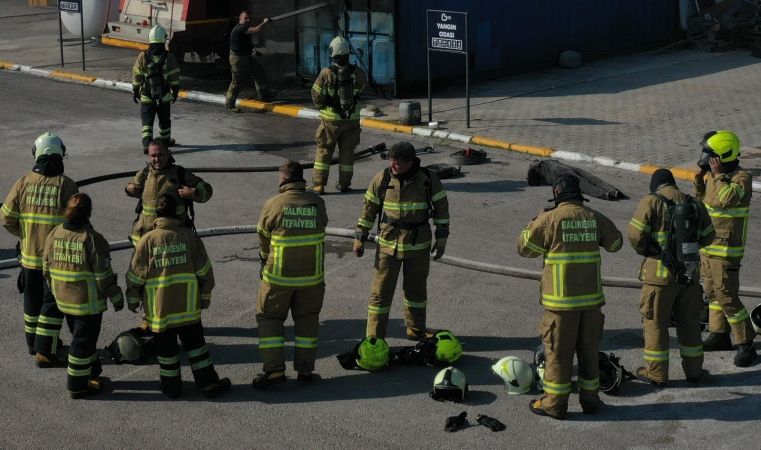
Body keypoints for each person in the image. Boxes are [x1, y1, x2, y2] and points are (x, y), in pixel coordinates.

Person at [517, 174, 622, 420]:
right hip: (591, 304)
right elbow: (616, 244)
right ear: (579, 195)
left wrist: (534, 220)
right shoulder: (594, 217)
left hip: (561, 306)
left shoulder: (550, 219)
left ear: (556, 194)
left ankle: (555, 405)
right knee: (589, 355)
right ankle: (591, 402)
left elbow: (524, 248)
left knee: (558, 357)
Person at [125, 193, 230, 399]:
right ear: (177, 213)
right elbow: (204, 271)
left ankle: (171, 388)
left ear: (157, 214)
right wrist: (205, 297)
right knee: (197, 349)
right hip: (188, 309)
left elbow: (135, 276)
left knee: (166, 353)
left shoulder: (146, 240)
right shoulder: (189, 236)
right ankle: (208, 384)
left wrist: (132, 300)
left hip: (159, 312)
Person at [353, 142, 449, 341]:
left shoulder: (428, 179)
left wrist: (442, 238)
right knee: (379, 295)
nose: (392, 166)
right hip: (388, 246)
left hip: (418, 246)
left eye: (397, 163)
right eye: (391, 161)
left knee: (416, 293)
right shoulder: (383, 178)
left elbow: (441, 208)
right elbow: (369, 208)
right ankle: (374, 338)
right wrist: (360, 236)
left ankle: (416, 330)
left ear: (410, 162)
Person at [628, 169, 714, 387]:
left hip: (659, 278)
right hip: (689, 275)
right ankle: (695, 372)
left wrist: (650, 251)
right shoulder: (694, 203)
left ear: (655, 185)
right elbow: (709, 236)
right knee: (690, 324)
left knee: (655, 324)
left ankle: (656, 373)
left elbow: (635, 237)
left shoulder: (651, 202)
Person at [2, 132, 79, 367]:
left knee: (31, 302)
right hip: (56, 259)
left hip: (28, 257)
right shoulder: (66, 184)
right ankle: (45, 350)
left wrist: (24, 235)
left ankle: (32, 343)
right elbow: (77, 221)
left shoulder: (23, 182)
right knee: (53, 304)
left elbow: (6, 218)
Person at [252, 161, 328, 389]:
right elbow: (322, 225)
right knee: (307, 321)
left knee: (270, 320)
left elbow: (263, 236)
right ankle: (305, 371)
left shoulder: (273, 204)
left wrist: (265, 259)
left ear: (283, 179)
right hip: (312, 277)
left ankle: (274, 371)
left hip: (279, 277)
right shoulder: (317, 202)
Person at [43, 193, 125, 399]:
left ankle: (92, 372)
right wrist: (117, 297)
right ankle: (78, 386)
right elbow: (103, 276)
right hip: (87, 304)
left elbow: (46, 266)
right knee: (82, 344)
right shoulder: (91, 239)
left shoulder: (55, 233)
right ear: (89, 212)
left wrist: (55, 289)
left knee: (81, 339)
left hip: (63, 300)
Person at [693, 130, 757, 367]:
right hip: (709, 248)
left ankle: (746, 344)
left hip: (726, 251)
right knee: (712, 293)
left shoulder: (741, 178)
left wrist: (718, 176)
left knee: (727, 296)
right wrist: (700, 179)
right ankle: (719, 334)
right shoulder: (712, 176)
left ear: (723, 156)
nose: (706, 160)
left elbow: (728, 198)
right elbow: (701, 201)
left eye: (710, 156)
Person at [125, 140, 212, 246]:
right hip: (144, 238)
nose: (157, 159)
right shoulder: (144, 173)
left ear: (168, 154)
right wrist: (128, 188)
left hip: (171, 239)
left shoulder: (180, 174)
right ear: (148, 156)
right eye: (153, 156)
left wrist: (193, 193)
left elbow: (207, 189)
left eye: (160, 155)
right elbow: (132, 187)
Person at [309, 36, 368, 194]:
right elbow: (363, 86)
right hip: (352, 121)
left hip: (331, 122)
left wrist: (323, 105)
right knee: (347, 155)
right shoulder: (358, 72)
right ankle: (344, 184)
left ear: (332, 53)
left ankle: (319, 185)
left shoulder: (326, 73)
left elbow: (316, 95)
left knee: (324, 151)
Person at [131, 25, 181, 153]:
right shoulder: (169, 57)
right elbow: (174, 76)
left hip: (147, 96)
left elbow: (137, 75)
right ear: (163, 40)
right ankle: (165, 143)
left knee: (147, 122)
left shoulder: (142, 56)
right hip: (164, 97)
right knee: (164, 121)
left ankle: (147, 144)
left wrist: (135, 91)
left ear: (150, 39)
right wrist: (175, 92)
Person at [225, 11, 271, 111]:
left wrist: (253, 51)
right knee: (237, 82)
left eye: (249, 18)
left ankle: (264, 96)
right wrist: (264, 22)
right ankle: (229, 104)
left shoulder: (244, 28)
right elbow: (256, 29)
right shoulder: (240, 28)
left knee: (259, 73)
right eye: (245, 18)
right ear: (240, 19)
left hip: (245, 57)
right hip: (238, 59)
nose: (248, 20)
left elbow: (245, 44)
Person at [527, 159, 628, 201]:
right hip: (565, 167)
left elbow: (532, 181)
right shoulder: (547, 162)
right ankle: (614, 191)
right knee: (591, 178)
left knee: (583, 184)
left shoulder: (537, 172)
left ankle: (605, 195)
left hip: (560, 172)